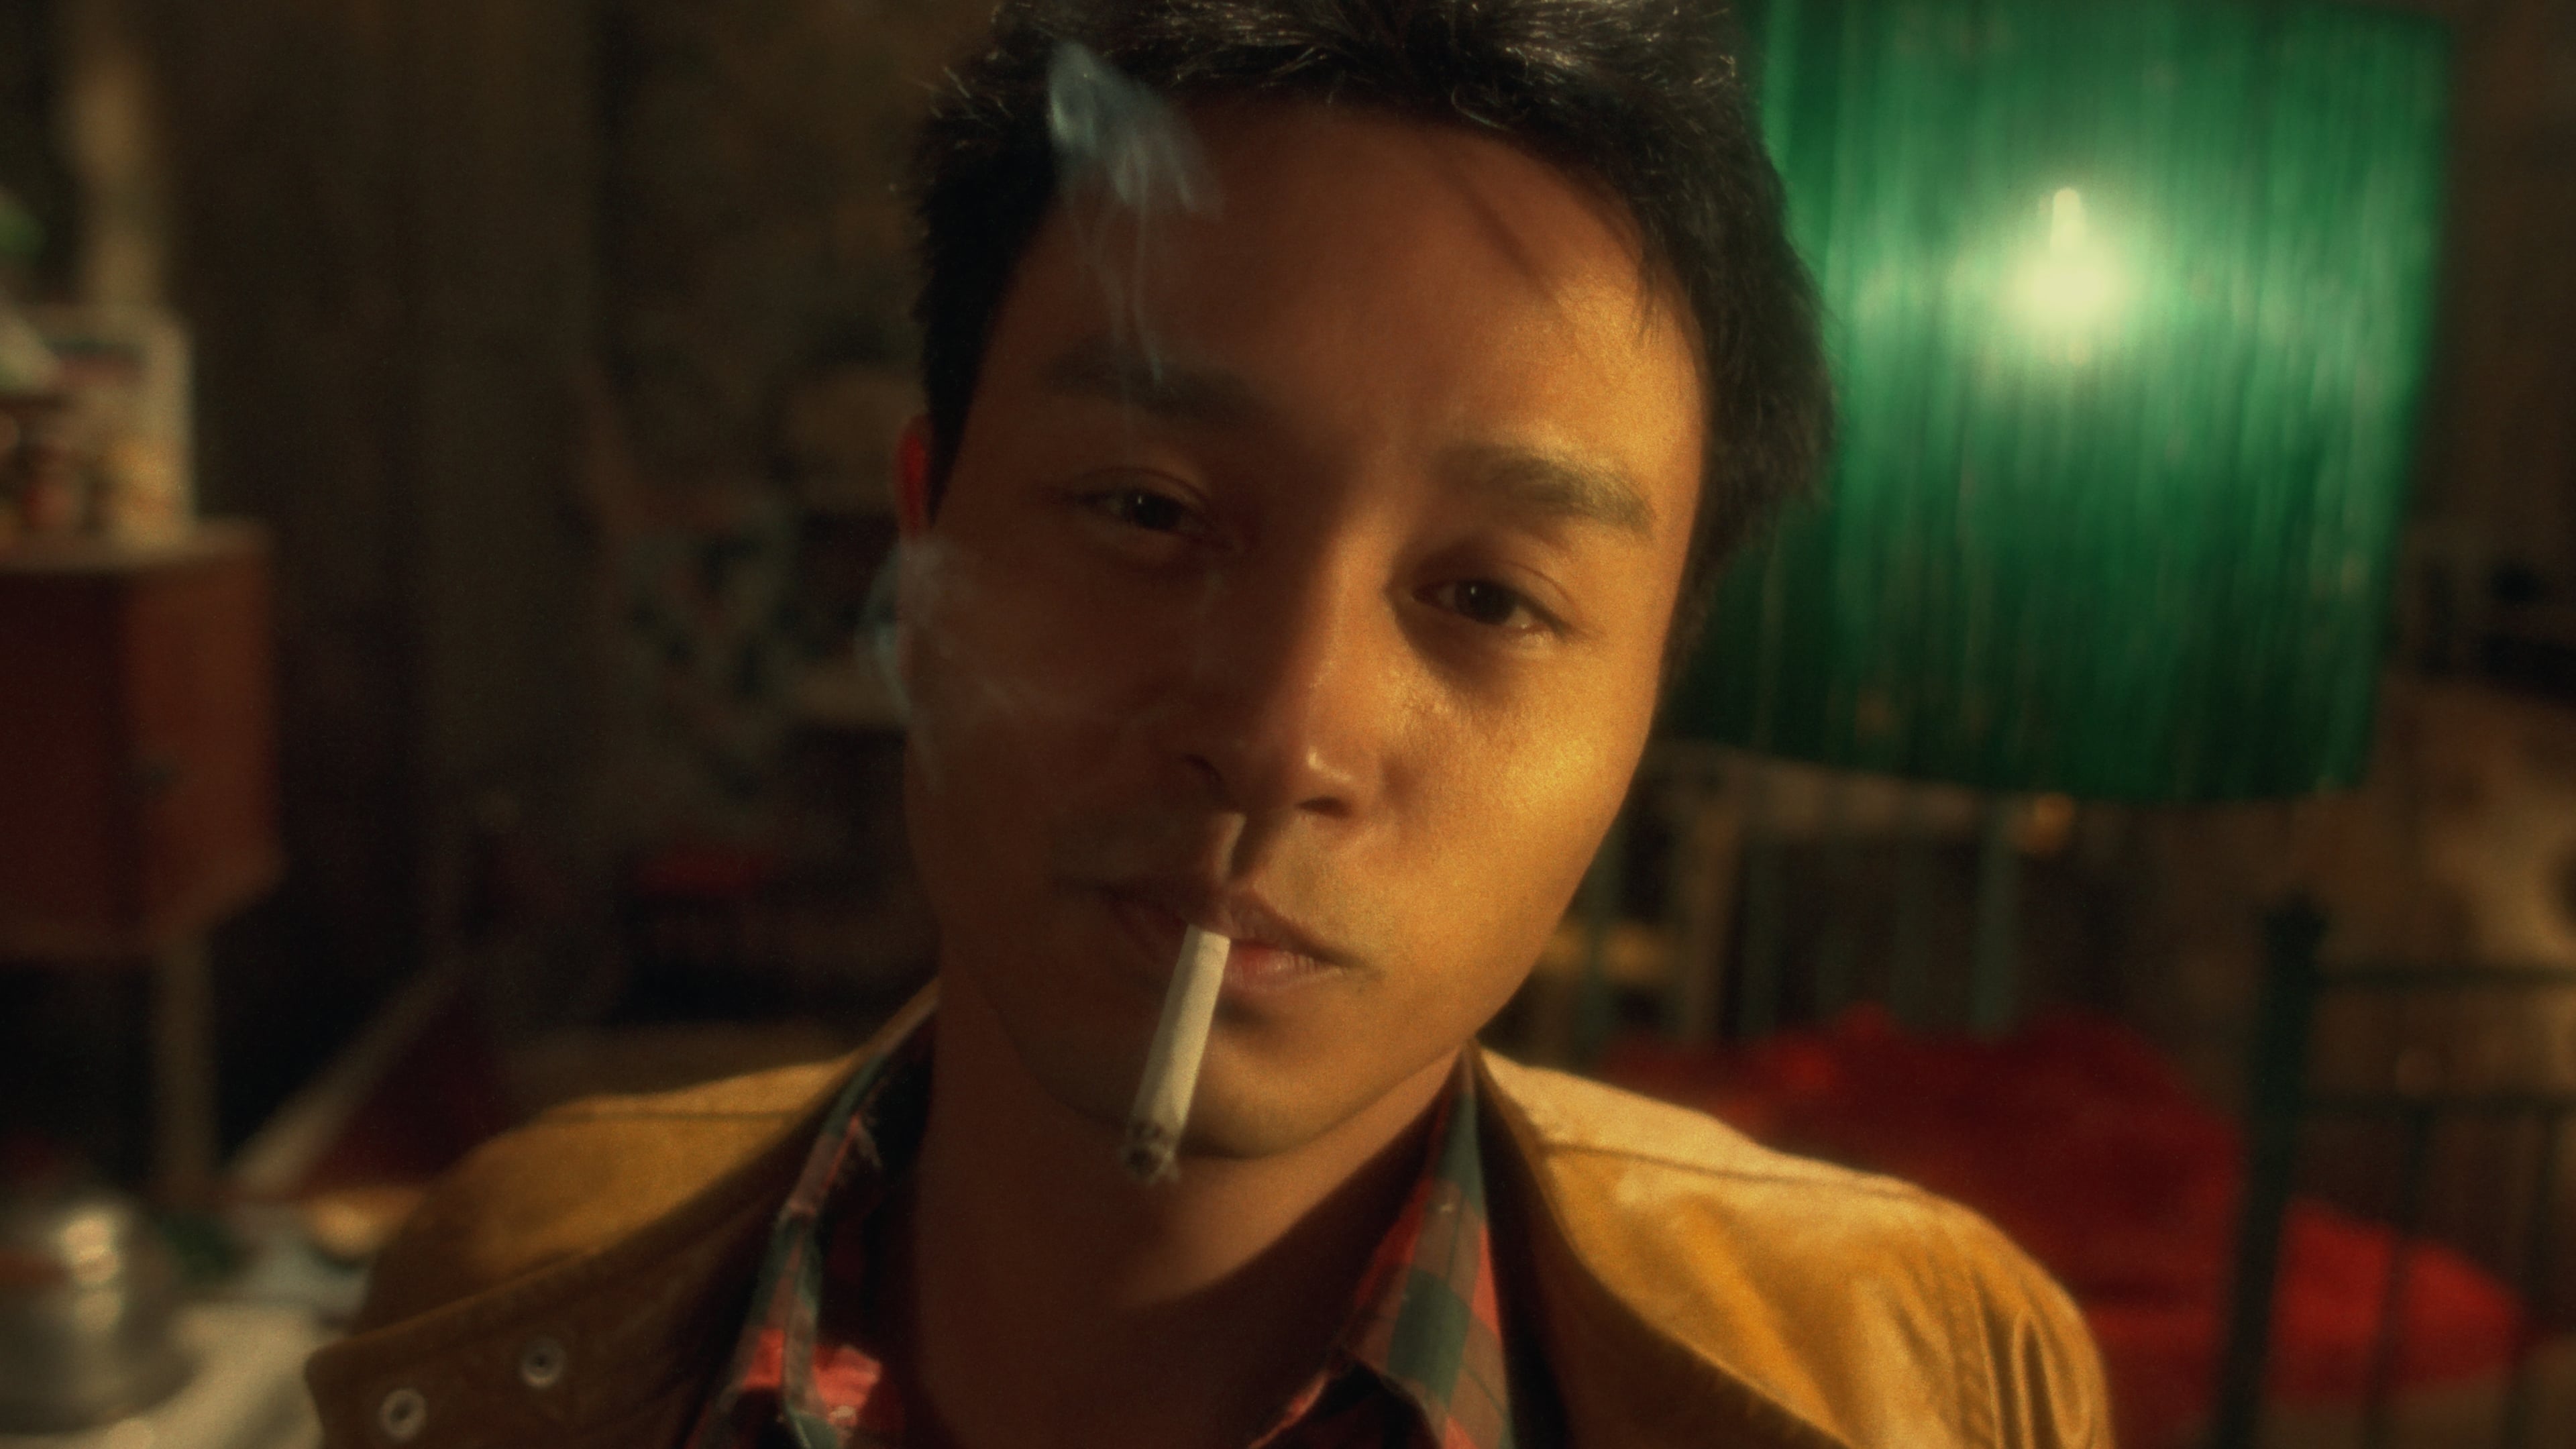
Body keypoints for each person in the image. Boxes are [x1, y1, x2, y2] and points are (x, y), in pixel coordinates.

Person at [306, 2, 2108, 1445]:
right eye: (1147, 509)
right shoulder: (504, 1296)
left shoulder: (1917, 1386)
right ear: (925, 555)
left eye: (1490, 598)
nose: (1277, 735)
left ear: (1649, 704)